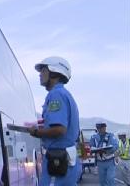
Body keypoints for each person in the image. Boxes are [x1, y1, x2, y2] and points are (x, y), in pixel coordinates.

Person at [27, 56, 82, 185]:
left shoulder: (56, 95)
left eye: (43, 70)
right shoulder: (64, 94)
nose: (40, 74)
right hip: (63, 161)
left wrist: (36, 132)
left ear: (54, 72)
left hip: (58, 161)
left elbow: (59, 129)